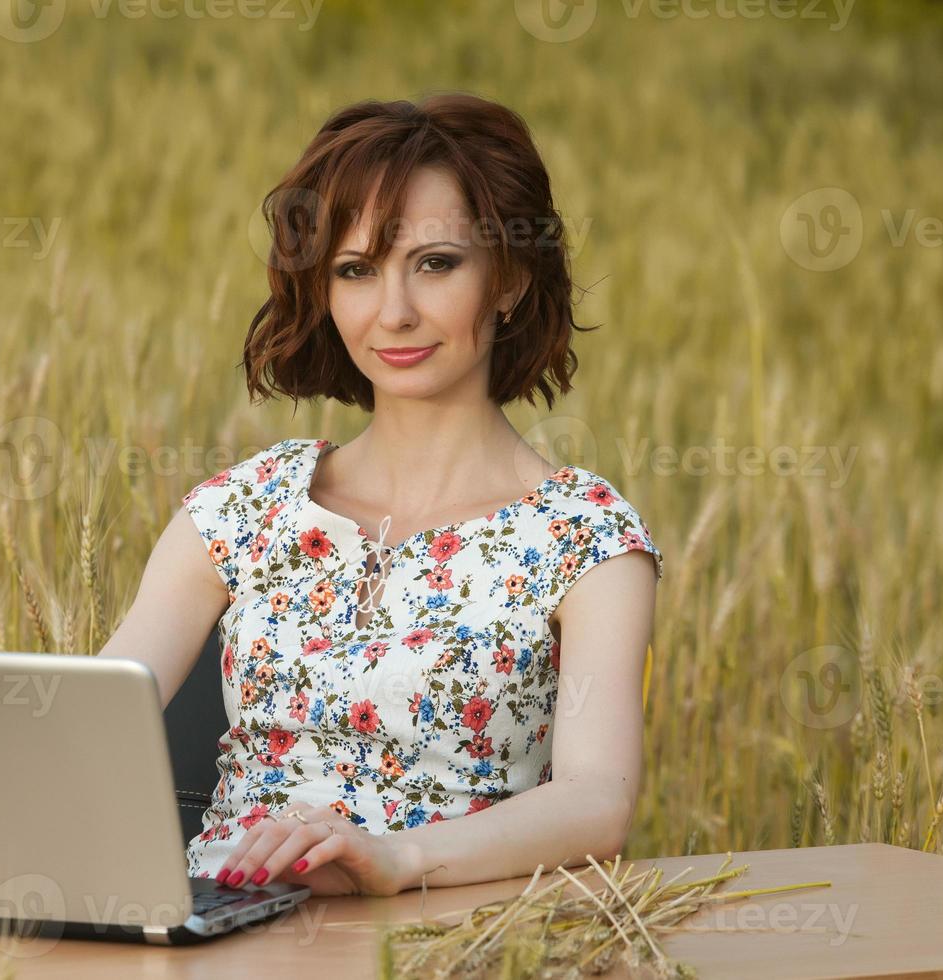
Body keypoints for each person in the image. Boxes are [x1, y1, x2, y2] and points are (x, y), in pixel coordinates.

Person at [104, 92, 663, 898]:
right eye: (355, 271)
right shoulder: (241, 509)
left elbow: (595, 802)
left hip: (448, 939)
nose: (394, 313)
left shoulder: (586, 539)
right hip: (220, 936)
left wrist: (397, 861)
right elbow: (84, 725)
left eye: (436, 264)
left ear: (506, 279)